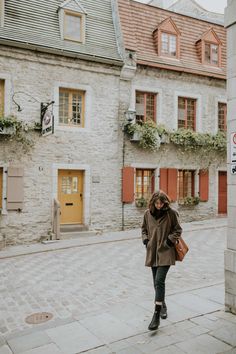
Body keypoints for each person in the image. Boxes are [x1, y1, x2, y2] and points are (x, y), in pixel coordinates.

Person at [141, 190, 182, 331]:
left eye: (161, 203)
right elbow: (144, 229)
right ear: (152, 202)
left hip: (166, 252)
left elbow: (178, 230)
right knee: (156, 283)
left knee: (159, 281)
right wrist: (145, 240)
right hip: (152, 252)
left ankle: (156, 315)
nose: (159, 205)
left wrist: (169, 242)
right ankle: (162, 304)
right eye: (156, 203)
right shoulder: (147, 213)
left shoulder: (171, 213)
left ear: (165, 202)